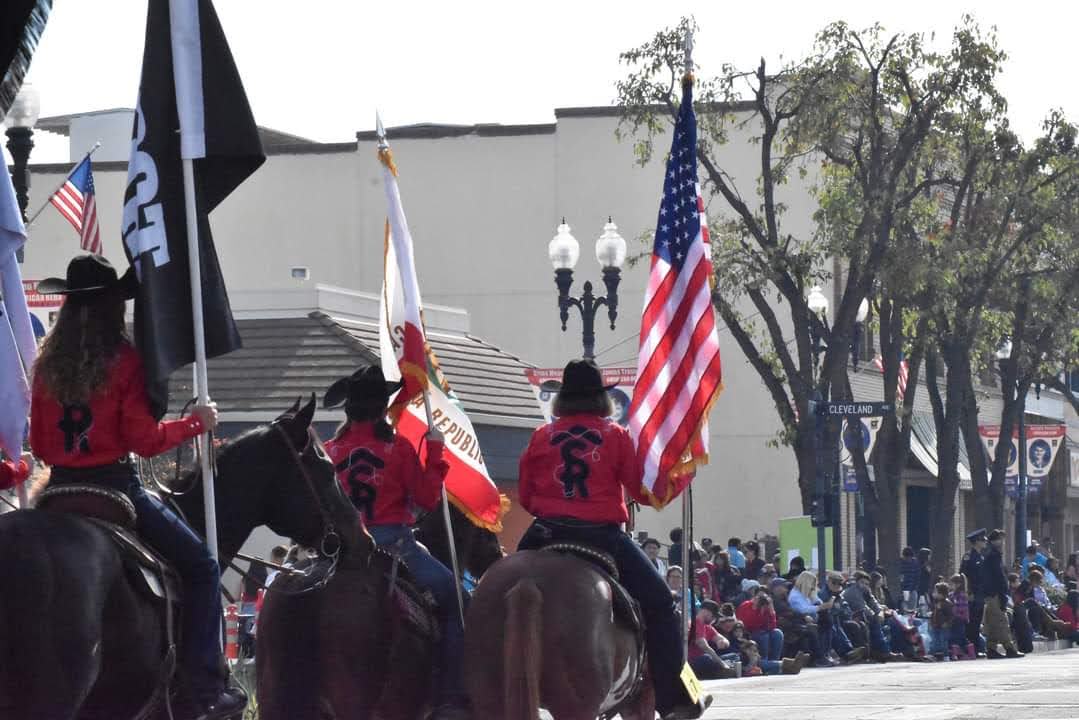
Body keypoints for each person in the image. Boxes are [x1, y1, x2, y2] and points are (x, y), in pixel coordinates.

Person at [28, 255, 245, 720]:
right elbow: (144, 443)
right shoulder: (124, 359)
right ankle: (204, 686)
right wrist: (195, 423)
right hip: (114, 487)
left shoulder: (46, 362)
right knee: (204, 568)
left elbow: (42, 444)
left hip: (58, 490)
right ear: (112, 305)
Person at [516, 360, 709, 720]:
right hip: (601, 537)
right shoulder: (616, 436)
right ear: (601, 400)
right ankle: (674, 701)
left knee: (496, 593)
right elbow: (639, 488)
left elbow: (526, 498)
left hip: (546, 533)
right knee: (662, 605)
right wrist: (678, 473)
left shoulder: (541, 436)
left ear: (562, 401)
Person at [320, 364, 466, 718]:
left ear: (348, 409)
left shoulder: (327, 451)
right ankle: (449, 698)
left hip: (333, 549)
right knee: (457, 599)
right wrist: (435, 455)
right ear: (382, 408)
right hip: (391, 543)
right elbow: (428, 500)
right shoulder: (398, 449)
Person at [982, 529, 1023, 659]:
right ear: (994, 541)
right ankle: (1010, 648)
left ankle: (991, 648)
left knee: (993, 622)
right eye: (1000, 539)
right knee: (1002, 621)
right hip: (995, 593)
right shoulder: (993, 556)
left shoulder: (994, 555)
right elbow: (998, 577)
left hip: (993, 593)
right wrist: (1003, 593)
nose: (1003, 542)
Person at [843, 570, 901, 661]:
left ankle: (897, 649)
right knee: (874, 621)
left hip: (864, 616)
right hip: (853, 616)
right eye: (862, 583)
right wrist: (877, 615)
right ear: (856, 582)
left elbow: (875, 604)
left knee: (893, 620)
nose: (865, 586)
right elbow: (863, 608)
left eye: (867, 584)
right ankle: (884, 651)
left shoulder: (866, 591)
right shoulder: (852, 591)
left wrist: (880, 613)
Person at [688, 601, 737, 680]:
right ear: (706, 612)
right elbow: (704, 647)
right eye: (714, 616)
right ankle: (721, 671)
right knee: (707, 658)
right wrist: (722, 664)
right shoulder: (695, 623)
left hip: (704, 659)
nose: (715, 619)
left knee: (735, 656)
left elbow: (722, 639)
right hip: (693, 660)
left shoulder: (707, 626)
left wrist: (722, 642)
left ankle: (722, 671)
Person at [960, 528, 987, 652]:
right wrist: (967, 592)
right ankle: (971, 648)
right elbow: (964, 576)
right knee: (971, 622)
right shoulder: (968, 556)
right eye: (983, 540)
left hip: (980, 593)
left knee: (977, 622)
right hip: (972, 594)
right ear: (976, 542)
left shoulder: (981, 556)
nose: (985, 542)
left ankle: (976, 648)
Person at [947, 574, 974, 660]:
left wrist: (955, 612)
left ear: (958, 584)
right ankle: (968, 652)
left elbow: (962, 607)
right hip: (954, 619)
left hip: (960, 618)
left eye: (952, 584)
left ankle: (957, 653)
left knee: (957, 636)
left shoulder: (961, 594)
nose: (951, 586)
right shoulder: (952, 594)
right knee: (960, 637)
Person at [928, 582, 954, 660]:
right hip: (935, 625)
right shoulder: (935, 603)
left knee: (943, 641)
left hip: (943, 626)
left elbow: (951, 615)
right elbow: (934, 613)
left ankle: (946, 655)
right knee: (934, 640)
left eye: (935, 592)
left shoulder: (947, 604)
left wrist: (947, 623)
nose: (933, 594)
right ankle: (933, 654)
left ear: (941, 594)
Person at [899, 546, 919, 612]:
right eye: (906, 557)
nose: (907, 559)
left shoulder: (915, 563)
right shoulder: (902, 564)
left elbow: (917, 577)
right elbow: (901, 577)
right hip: (905, 590)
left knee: (912, 610)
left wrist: (915, 587)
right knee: (905, 609)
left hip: (912, 589)